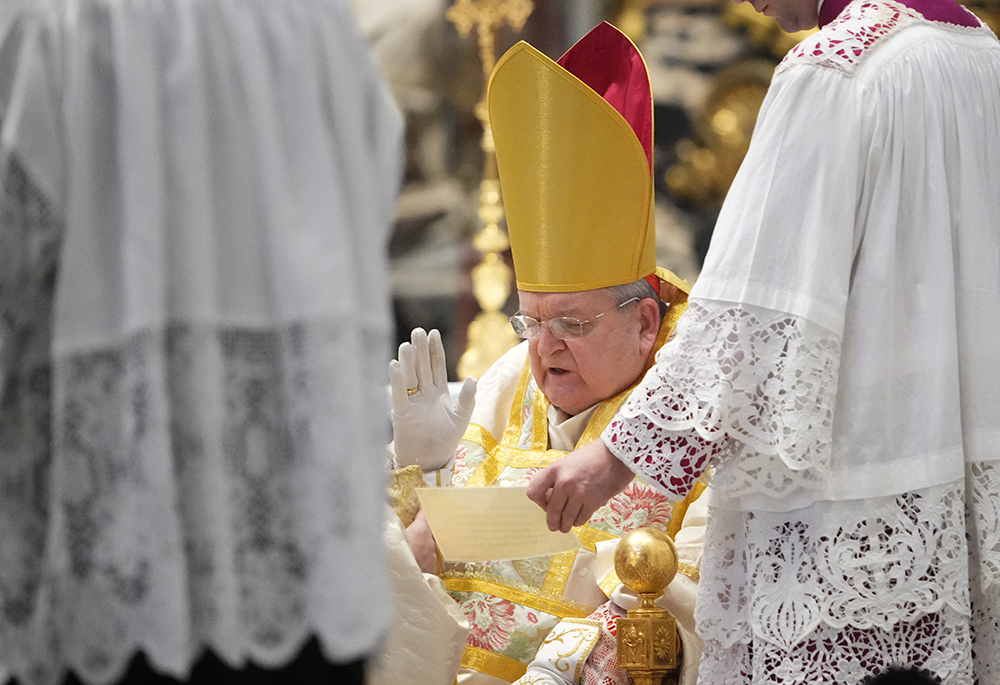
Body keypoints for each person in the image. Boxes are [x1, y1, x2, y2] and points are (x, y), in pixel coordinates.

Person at [525, 0, 1000, 683]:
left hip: (849, 509)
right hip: (962, 495)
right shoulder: (980, 52)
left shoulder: (833, 69)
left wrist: (614, 457)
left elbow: (753, 308)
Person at [0, 1, 402, 684]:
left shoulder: (46, 20)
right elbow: (371, 207)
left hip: (113, 569)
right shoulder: (316, 23)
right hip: (303, 567)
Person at [385, 23, 708, 685]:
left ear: (645, 322)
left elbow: (687, 601)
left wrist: (556, 669)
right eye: (529, 320)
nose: (544, 348)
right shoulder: (507, 382)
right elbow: (406, 581)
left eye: (571, 322)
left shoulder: (699, 405)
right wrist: (421, 479)